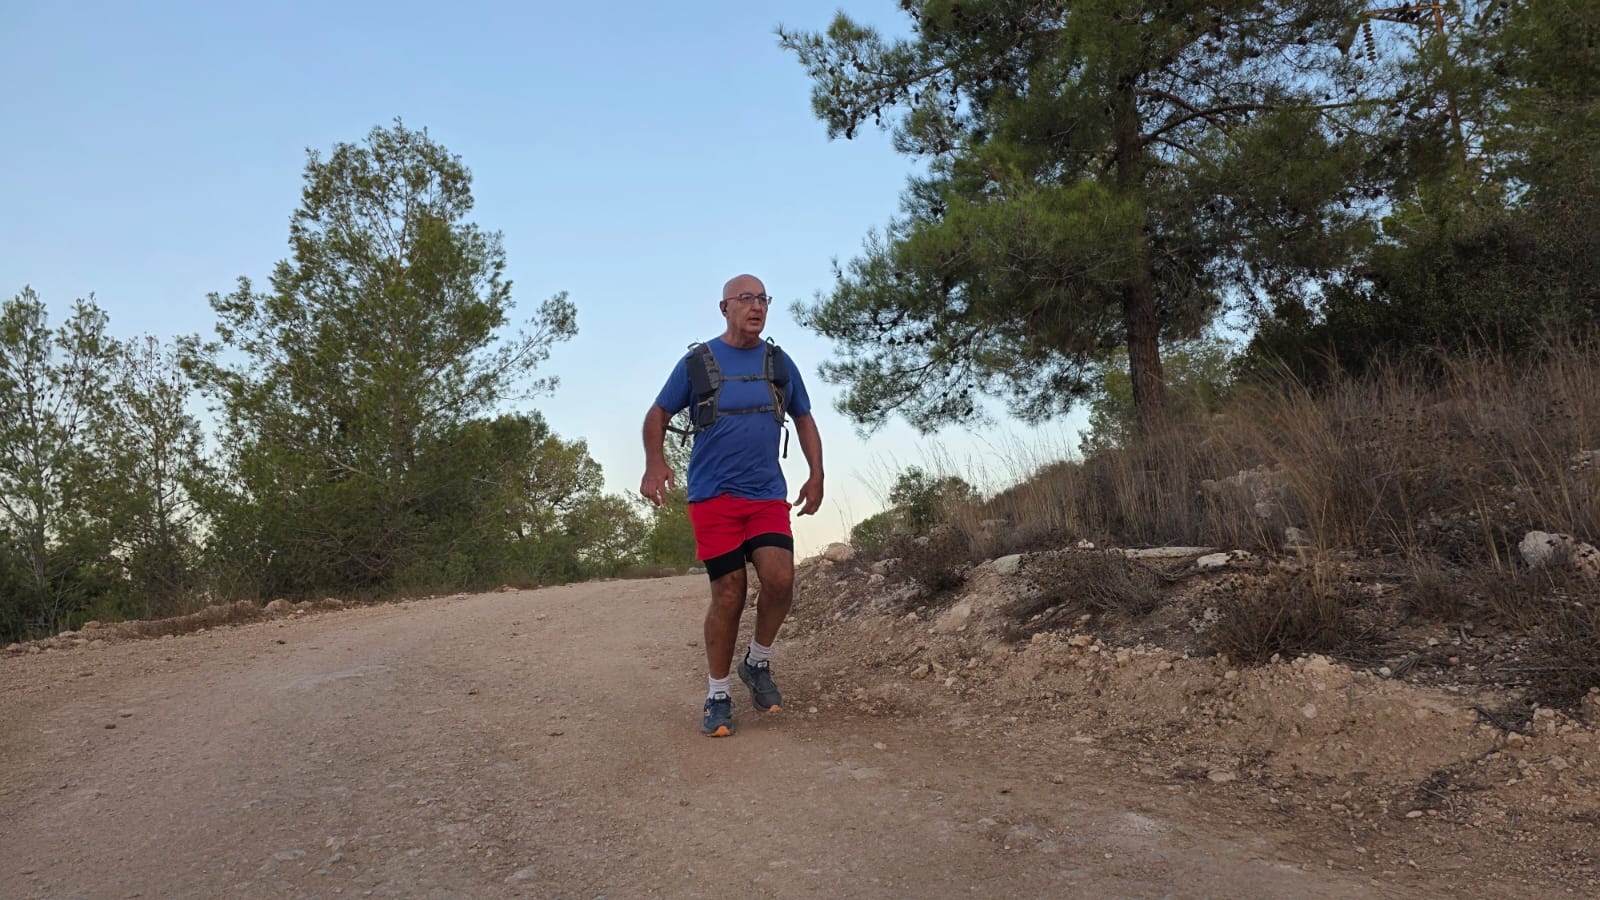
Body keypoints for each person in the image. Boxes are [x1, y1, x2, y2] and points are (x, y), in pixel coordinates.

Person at [641, 274, 824, 737]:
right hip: (714, 497)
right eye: (745, 299)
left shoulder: (778, 363)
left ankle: (756, 662)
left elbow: (803, 417)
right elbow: (658, 413)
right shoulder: (697, 362)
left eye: (762, 299)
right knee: (729, 592)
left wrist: (816, 473)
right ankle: (718, 693)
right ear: (724, 308)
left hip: (765, 494)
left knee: (780, 579)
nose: (756, 306)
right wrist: (655, 462)